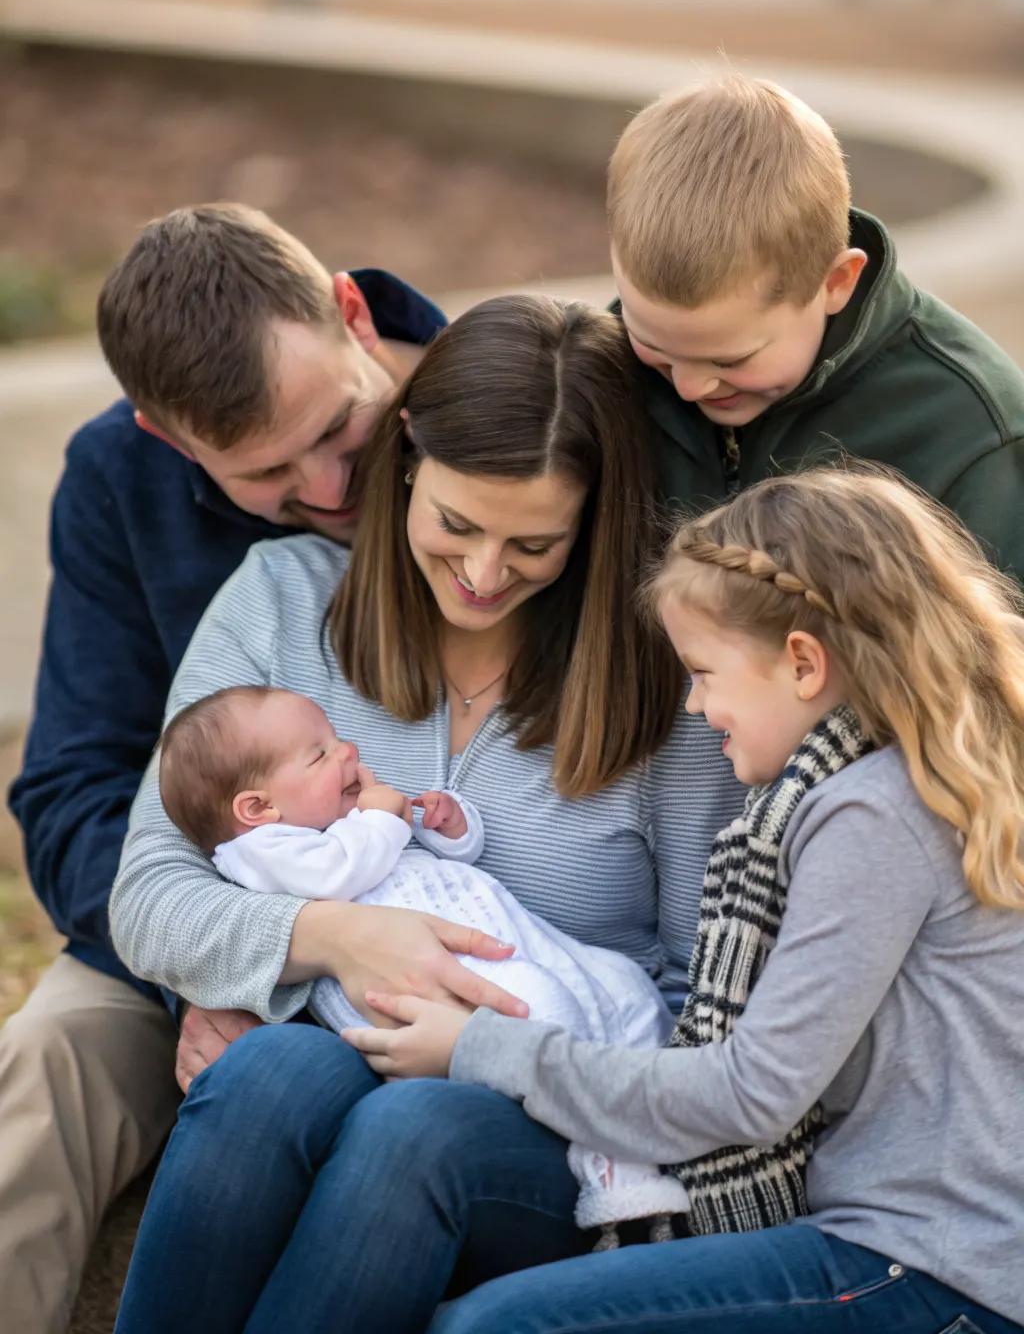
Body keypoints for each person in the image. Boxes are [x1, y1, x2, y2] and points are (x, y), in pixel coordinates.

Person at [110, 293, 743, 1334]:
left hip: (563, 1136)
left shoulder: (663, 684)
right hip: (334, 1053)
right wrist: (334, 936)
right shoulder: (280, 602)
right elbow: (150, 895)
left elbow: (698, 998)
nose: (485, 574)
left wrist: (500, 1053)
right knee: (264, 1072)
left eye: (534, 543)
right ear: (403, 462)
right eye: (455, 524)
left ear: (593, 521)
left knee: (412, 1133)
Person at [356, 466, 1024, 1334]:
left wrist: (484, 1046)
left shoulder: (871, 810)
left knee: (493, 1328)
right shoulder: (927, 782)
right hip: (933, 1251)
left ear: (803, 663)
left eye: (703, 673)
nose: (696, 704)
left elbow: (749, 1095)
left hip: (935, 1269)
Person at [2, 202, 447, 1333]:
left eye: (341, 431)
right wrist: (206, 971)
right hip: (191, 930)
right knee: (41, 1075)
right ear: (166, 434)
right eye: (267, 474)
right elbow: (71, 793)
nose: (335, 489)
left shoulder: (497, 406)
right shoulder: (115, 481)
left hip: (436, 903)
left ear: (352, 314)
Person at [159, 684, 691, 1235]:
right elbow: (338, 873)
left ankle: (656, 1124)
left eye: (338, 739)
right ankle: (611, 1171)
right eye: (320, 753)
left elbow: (427, 855)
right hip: (447, 995)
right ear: (257, 808)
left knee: (625, 986)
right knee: (548, 1013)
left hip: (513, 949)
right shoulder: (261, 854)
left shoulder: (344, 822)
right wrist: (384, 818)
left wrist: (448, 825)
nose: (348, 752)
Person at [606, 71, 1024, 576]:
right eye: (656, 346)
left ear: (837, 283)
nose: (691, 387)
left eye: (731, 359)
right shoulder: (595, 372)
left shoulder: (969, 431)